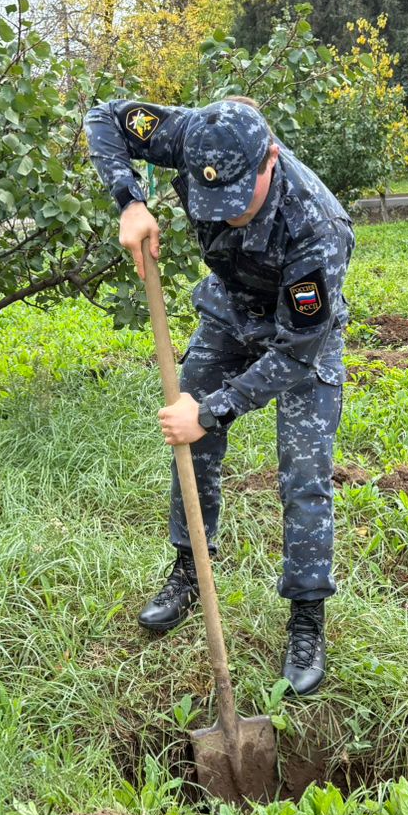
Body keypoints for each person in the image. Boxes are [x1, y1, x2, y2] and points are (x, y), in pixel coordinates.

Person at [85, 96, 354, 695]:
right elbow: (103, 118)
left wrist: (212, 410)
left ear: (270, 161)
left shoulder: (317, 229)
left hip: (299, 338)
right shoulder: (191, 136)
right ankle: (190, 572)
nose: (227, 217)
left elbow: (295, 352)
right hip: (229, 314)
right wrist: (130, 201)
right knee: (193, 450)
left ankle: (307, 618)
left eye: (240, 201)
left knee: (304, 472)